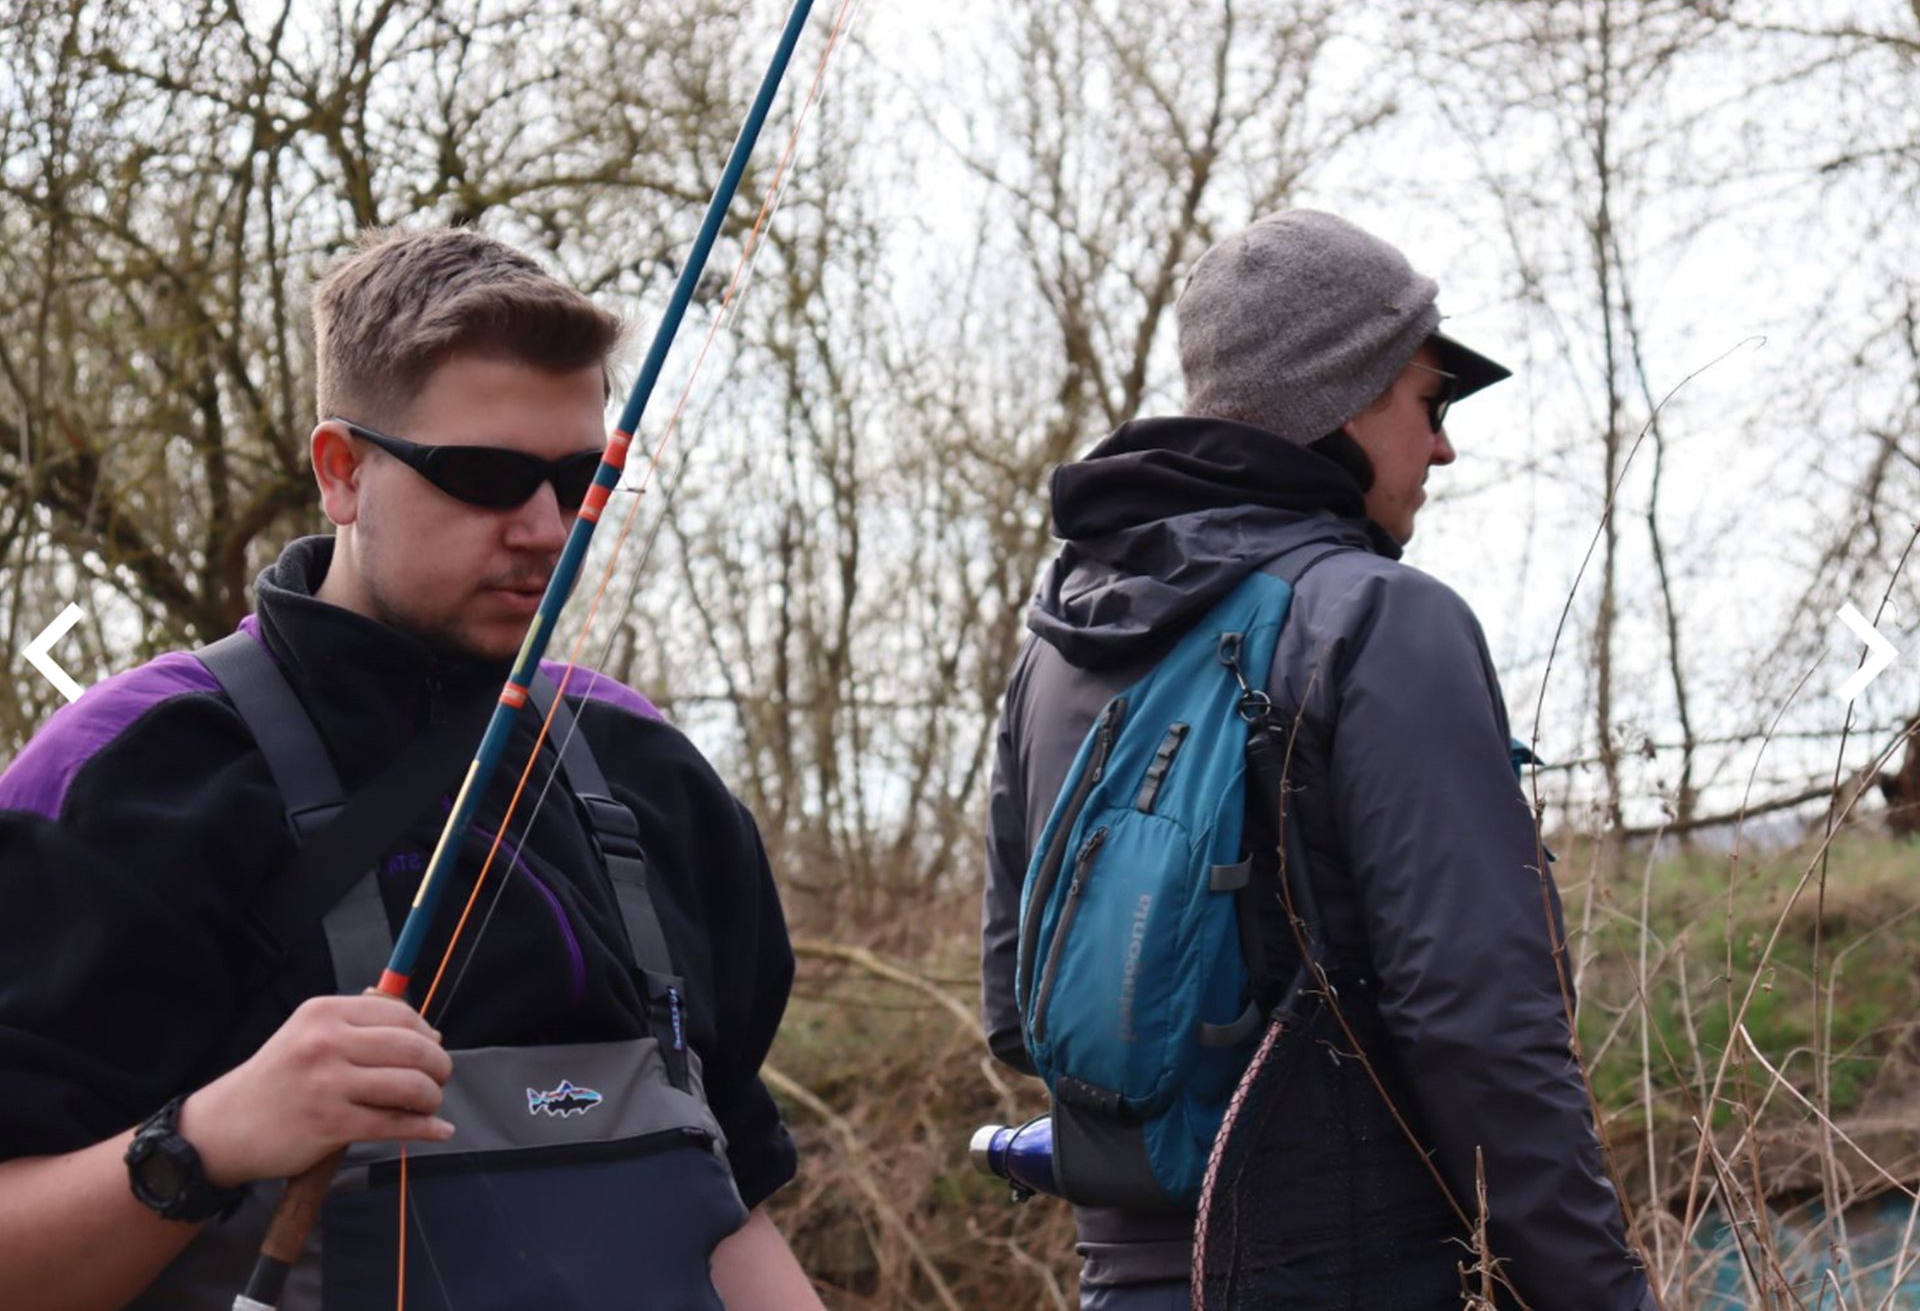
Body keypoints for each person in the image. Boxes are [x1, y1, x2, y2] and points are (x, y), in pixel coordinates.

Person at [0, 227, 821, 1310]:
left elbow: (734, 1210)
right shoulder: (132, 775)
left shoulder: (652, 776)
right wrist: (204, 1139)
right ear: (341, 472)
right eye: (484, 476)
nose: (544, 528)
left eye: (583, 478)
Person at [980, 210, 1656, 1310]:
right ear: (1342, 396)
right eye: (1429, 400)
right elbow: (1484, 1029)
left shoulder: (1055, 653)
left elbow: (1021, 1017)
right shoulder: (1381, 620)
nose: (1443, 444)